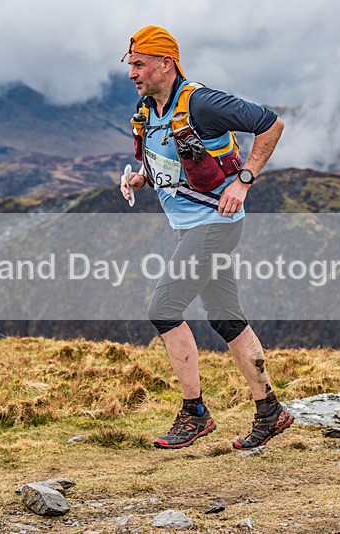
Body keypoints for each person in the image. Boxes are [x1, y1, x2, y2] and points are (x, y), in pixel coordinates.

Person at [120, 26, 292, 450]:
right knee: (226, 318)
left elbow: (271, 124)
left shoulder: (202, 102)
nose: (132, 74)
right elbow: (171, 161)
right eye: (131, 66)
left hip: (216, 224)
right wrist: (143, 177)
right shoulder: (150, 109)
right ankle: (270, 411)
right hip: (192, 227)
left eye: (139, 64)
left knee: (163, 309)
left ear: (166, 63)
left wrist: (244, 181)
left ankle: (194, 412)